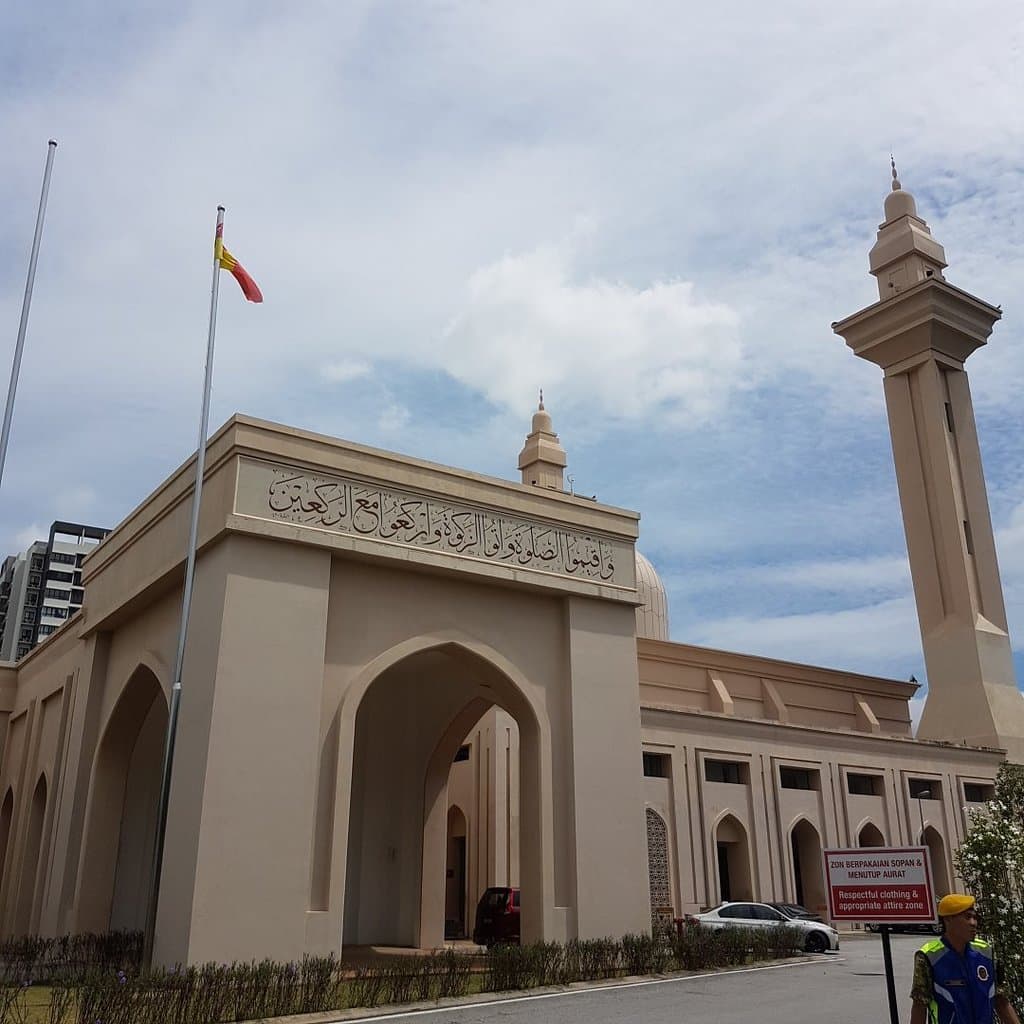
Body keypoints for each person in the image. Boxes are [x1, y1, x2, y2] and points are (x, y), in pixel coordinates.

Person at [910, 893, 1021, 1024]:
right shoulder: (929, 956)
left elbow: (1001, 1000)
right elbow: (919, 1005)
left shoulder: (985, 952)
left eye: (975, 917)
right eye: (967, 917)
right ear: (948, 919)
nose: (973, 923)